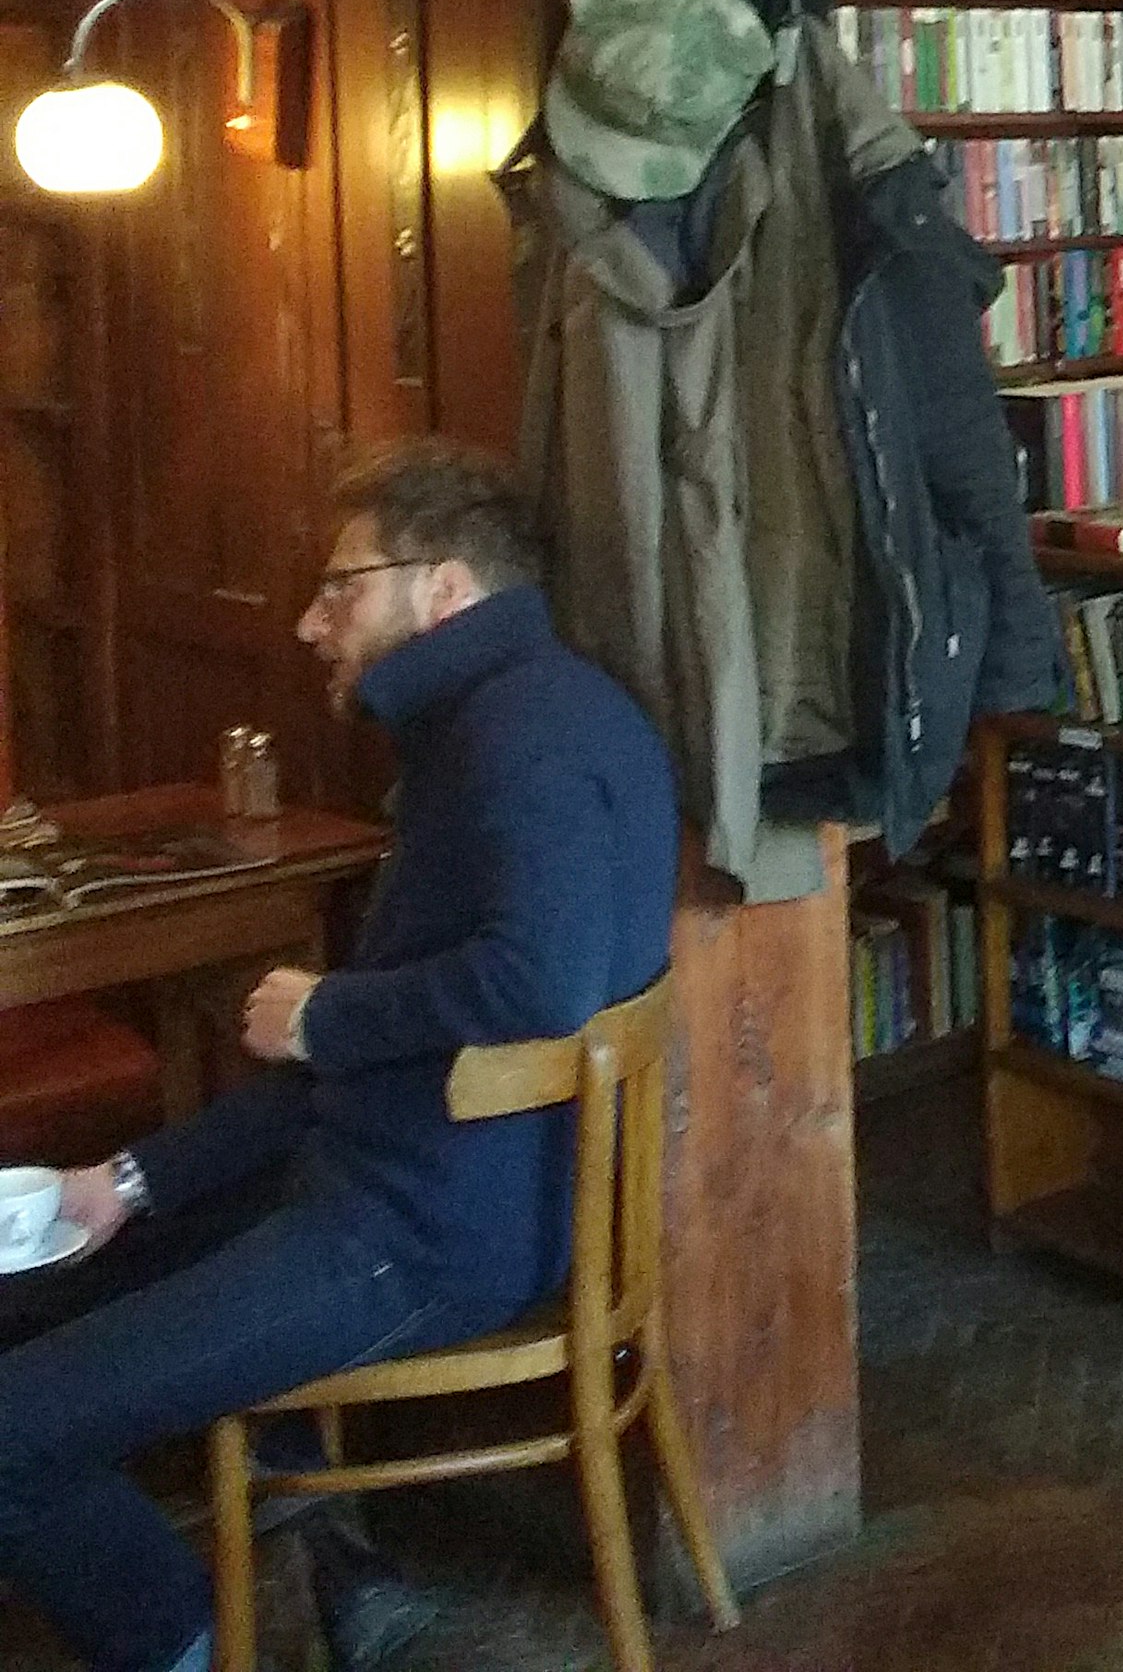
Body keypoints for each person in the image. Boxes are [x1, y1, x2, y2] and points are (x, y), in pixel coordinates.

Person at [0, 438, 680, 1672]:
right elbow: (357, 1071)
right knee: (27, 1290)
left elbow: (541, 981)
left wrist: (326, 1015)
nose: (314, 623)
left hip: (424, 1238)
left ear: (447, 591)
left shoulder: (519, 740)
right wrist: (130, 1183)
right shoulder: (517, 709)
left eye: (342, 588)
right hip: (391, 1185)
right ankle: (311, 1560)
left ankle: (184, 1637)